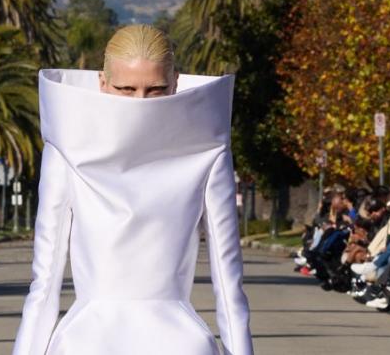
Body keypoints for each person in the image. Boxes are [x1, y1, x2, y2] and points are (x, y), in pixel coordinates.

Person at [13, 24, 253, 355]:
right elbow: (43, 281)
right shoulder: (65, 150)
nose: (140, 102)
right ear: (101, 82)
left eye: (154, 89)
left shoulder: (208, 152)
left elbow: (229, 283)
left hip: (170, 343)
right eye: (126, 88)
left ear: (176, 83)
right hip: (93, 343)